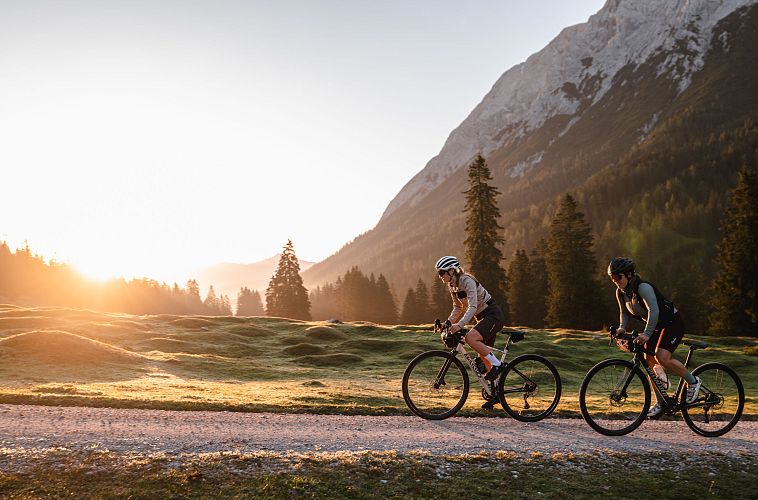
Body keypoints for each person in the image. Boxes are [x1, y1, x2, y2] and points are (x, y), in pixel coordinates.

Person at [607, 257, 701, 418]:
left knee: (662, 356)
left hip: (672, 323)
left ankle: (693, 381)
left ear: (629, 275)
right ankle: (662, 401)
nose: (615, 281)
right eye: (612, 278)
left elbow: (654, 311)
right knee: (647, 358)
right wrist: (622, 327)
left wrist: (647, 334)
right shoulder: (621, 293)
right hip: (657, 325)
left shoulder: (643, 287)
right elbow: (624, 312)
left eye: (618, 277)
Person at [435, 255, 506, 391]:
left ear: (451, 271)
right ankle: (494, 393)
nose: (440, 276)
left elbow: (472, 306)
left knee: (470, 338)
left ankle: (498, 365)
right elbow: (458, 307)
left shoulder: (467, 281)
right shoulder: (452, 285)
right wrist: (448, 322)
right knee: (484, 359)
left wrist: (460, 325)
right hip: (482, 318)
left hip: (492, 315)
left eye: (441, 272)